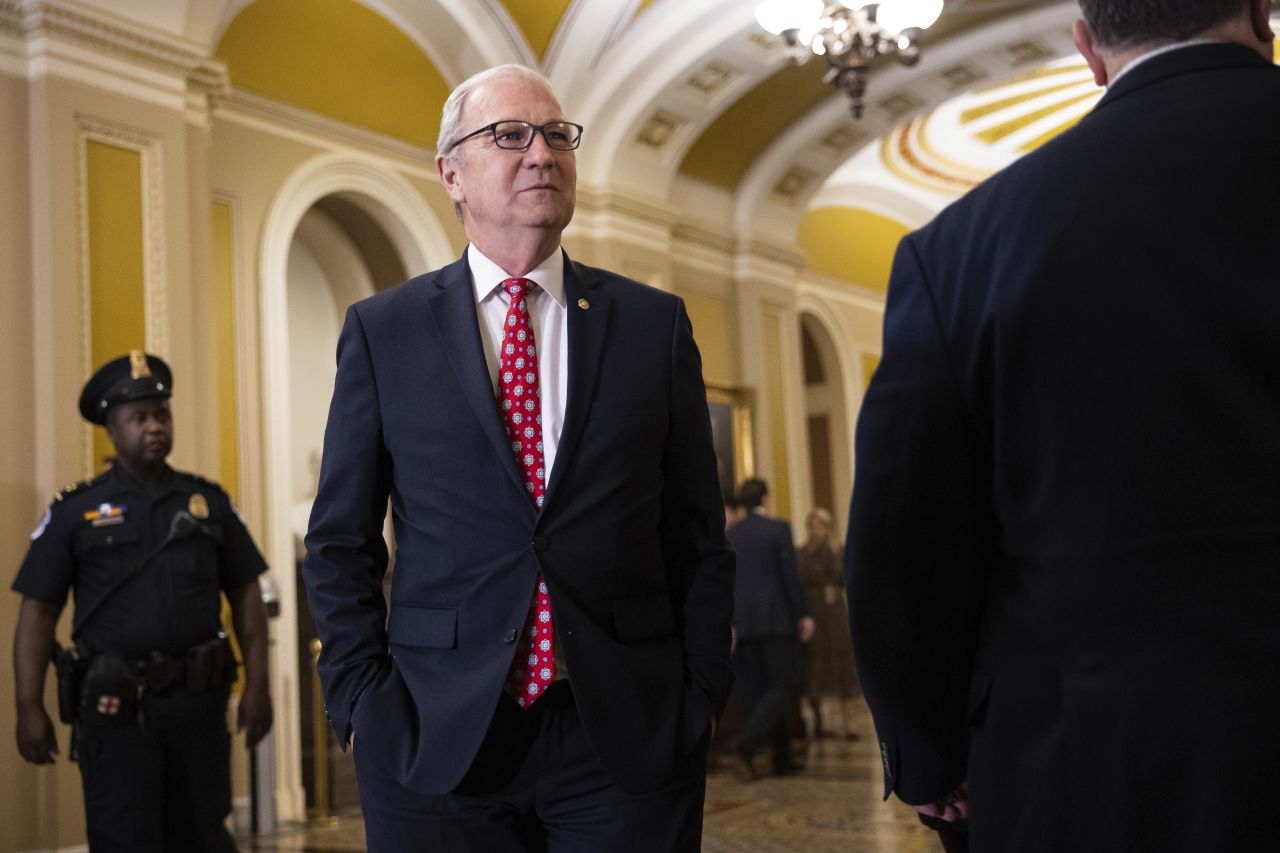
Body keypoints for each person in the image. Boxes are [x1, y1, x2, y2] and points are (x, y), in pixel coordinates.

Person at [845, 1, 1279, 850]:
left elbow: (904, 546)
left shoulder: (964, 246)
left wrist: (929, 752)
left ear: (1087, 46)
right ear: (1265, 13)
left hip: (1085, 775)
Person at [302, 64, 734, 852]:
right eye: (509, 136)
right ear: (452, 175)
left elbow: (697, 533)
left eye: (557, 134)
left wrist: (700, 693)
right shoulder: (385, 331)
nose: (542, 153)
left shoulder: (652, 325)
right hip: (437, 737)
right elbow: (339, 540)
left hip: (626, 738)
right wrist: (361, 703)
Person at [12, 351, 273, 851]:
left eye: (162, 414)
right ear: (111, 429)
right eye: (139, 418)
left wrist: (258, 684)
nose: (154, 427)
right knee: (124, 838)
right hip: (115, 713)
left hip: (197, 705)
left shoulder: (207, 503)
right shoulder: (76, 512)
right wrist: (28, 706)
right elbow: (38, 611)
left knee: (203, 835)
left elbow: (245, 595)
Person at [725, 478, 813, 779]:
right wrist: (803, 614)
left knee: (765, 690)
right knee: (782, 686)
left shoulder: (732, 534)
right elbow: (789, 575)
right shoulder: (778, 528)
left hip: (745, 625)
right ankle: (748, 743)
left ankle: (782, 758)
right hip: (776, 620)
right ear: (765, 498)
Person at [795, 508, 859, 741]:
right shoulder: (802, 554)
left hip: (836, 613)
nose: (818, 530)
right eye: (814, 525)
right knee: (816, 664)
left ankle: (849, 723)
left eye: (822, 525)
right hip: (815, 612)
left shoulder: (838, 551)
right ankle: (819, 720)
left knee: (844, 665)